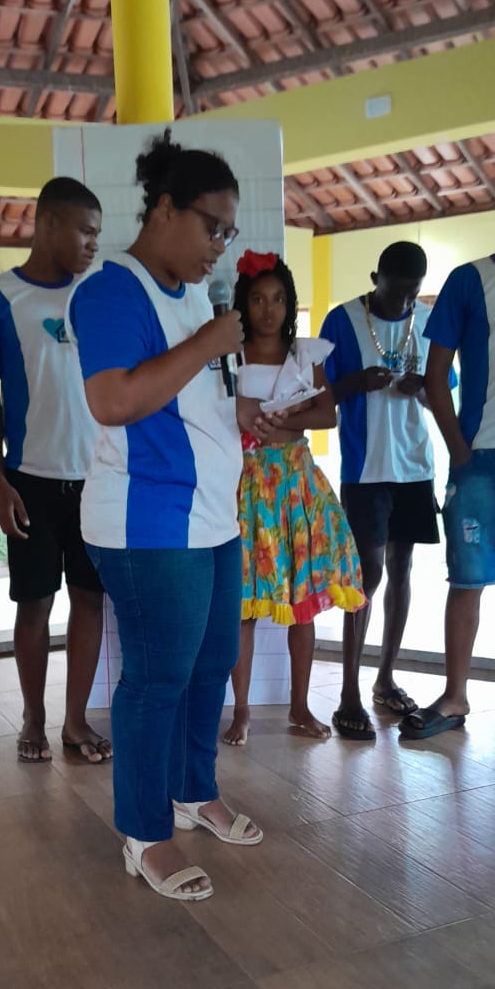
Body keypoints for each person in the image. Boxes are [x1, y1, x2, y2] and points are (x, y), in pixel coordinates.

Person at [67, 131, 286, 902]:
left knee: (210, 662)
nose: (220, 247)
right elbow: (114, 400)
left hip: (213, 516)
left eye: (229, 231)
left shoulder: (195, 293)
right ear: (164, 209)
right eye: (212, 227)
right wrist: (208, 340)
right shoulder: (109, 292)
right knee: (156, 679)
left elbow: (194, 396)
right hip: (146, 522)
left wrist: (249, 417)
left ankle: (194, 792)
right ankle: (144, 833)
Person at [0, 177, 112, 765]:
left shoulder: (98, 296)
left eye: (98, 234)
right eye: (85, 231)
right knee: (35, 603)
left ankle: (75, 721)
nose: (93, 244)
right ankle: (33, 717)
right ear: (48, 224)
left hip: (98, 479)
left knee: (90, 601)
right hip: (29, 481)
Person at [401, 169, 495, 742]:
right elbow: (435, 377)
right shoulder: (470, 281)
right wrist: (460, 451)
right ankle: (455, 696)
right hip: (481, 459)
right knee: (468, 580)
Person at [222, 250, 365, 745]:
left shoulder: (306, 354)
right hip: (247, 485)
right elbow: (219, 411)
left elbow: (328, 414)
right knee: (242, 606)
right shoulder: (232, 355)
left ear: (290, 303)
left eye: (279, 299)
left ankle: (300, 707)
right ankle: (240, 710)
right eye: (259, 299)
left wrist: (285, 418)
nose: (269, 309)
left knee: (302, 601)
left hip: (297, 485)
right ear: (244, 303)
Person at [321, 242, 441, 740]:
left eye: (413, 293)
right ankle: (348, 691)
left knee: (402, 569)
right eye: (396, 293)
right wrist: (356, 382)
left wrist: (423, 389)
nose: (405, 303)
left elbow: (441, 395)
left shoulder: (429, 321)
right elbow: (318, 394)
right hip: (366, 470)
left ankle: (385, 677)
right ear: (376, 279)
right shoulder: (343, 320)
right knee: (365, 576)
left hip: (414, 466)